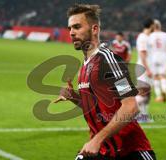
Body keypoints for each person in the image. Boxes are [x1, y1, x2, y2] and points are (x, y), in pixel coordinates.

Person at [53, 4, 156, 160]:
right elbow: (94, 106)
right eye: (70, 29)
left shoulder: (108, 61)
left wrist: (97, 139)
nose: (72, 33)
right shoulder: (86, 65)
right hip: (105, 150)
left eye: (77, 27)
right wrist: (74, 97)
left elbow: (131, 107)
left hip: (131, 152)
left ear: (94, 29)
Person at [135, 18, 154, 123]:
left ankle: (144, 115)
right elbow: (142, 54)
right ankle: (135, 114)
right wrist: (147, 69)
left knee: (148, 93)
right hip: (143, 68)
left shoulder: (148, 37)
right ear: (151, 26)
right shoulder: (142, 37)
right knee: (142, 92)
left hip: (148, 68)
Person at [148, 20, 166, 102]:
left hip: (154, 56)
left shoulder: (151, 35)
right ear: (160, 26)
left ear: (153, 27)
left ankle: (158, 96)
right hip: (163, 56)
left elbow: (149, 47)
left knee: (155, 77)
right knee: (163, 76)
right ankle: (164, 91)